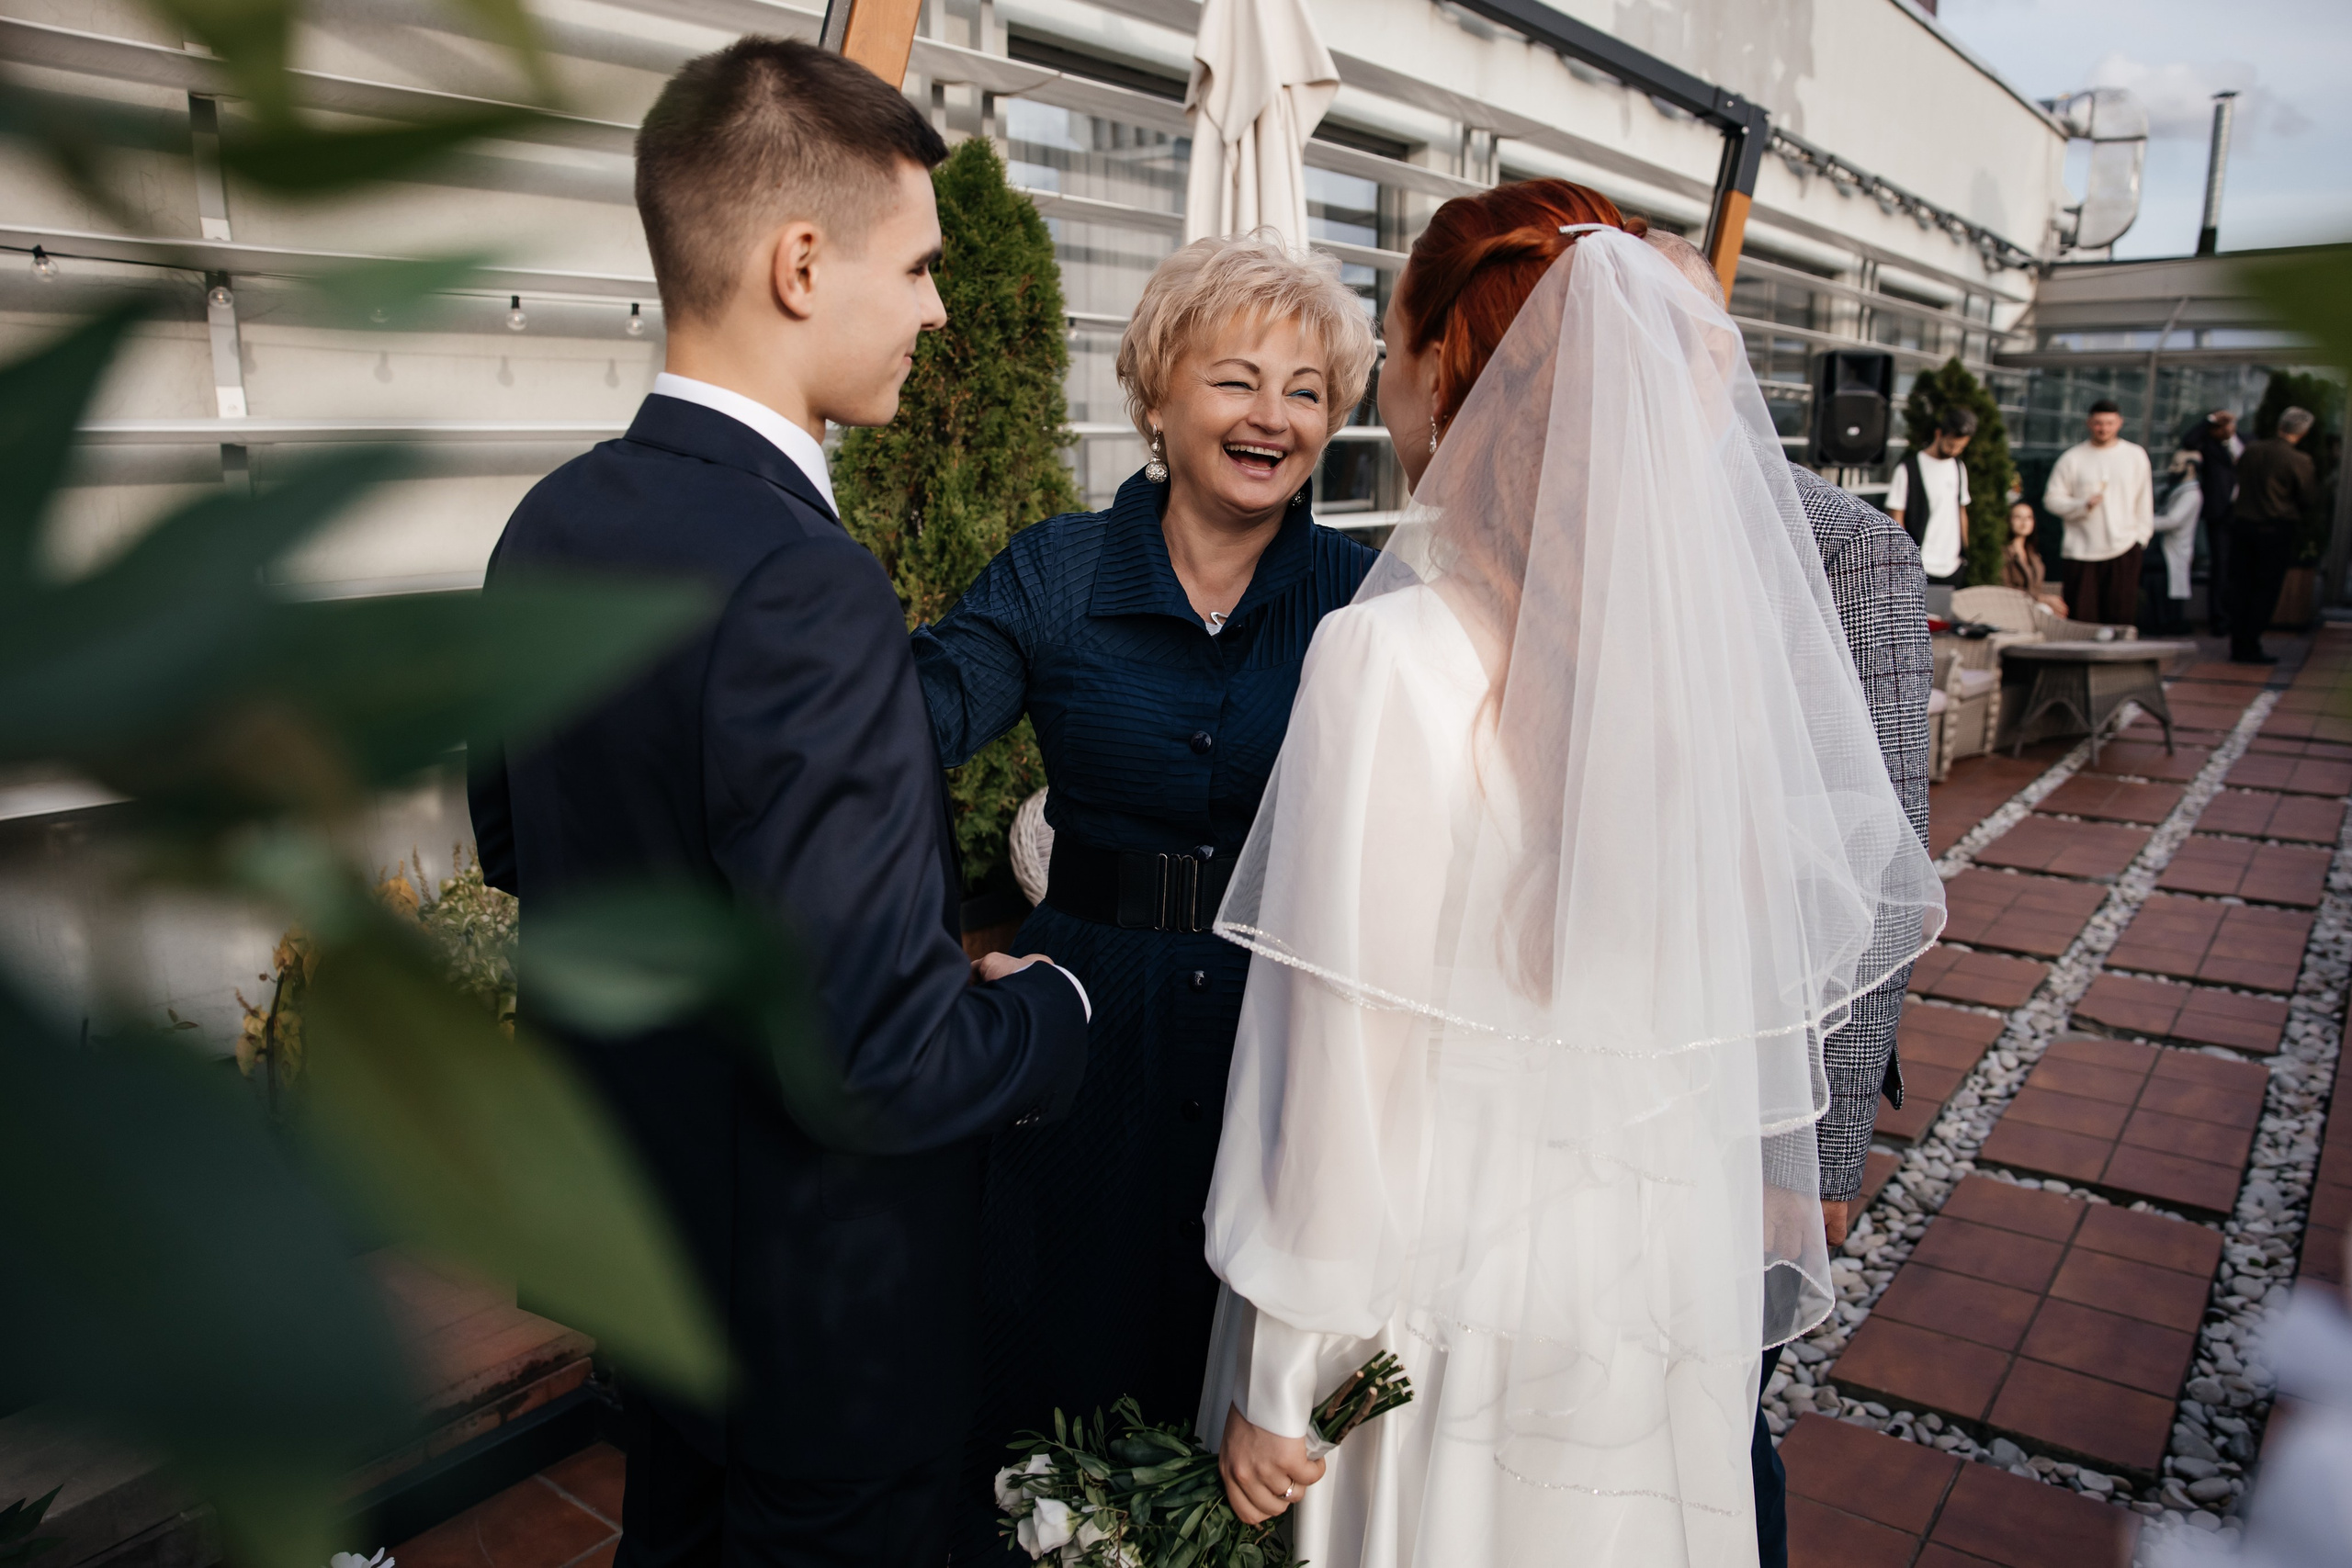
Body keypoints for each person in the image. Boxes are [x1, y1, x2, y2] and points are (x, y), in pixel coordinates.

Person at [1197, 187, 1942, 1568]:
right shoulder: (1699, 673)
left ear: (1436, 375)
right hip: (1642, 1276)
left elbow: (1341, 1060)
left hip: (1427, 1304)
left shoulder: (1389, 660)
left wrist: (1284, 1369)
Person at [466, 39, 1094, 1566]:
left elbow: (515, 840)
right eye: (923, 265)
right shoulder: (804, 584)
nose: (943, 309)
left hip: (647, 1261)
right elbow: (876, 1058)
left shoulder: (549, 525)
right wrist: (1054, 1013)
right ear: (802, 264)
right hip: (824, 1322)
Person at [909, 231, 1382, 1559]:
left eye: (1307, 390)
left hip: (1283, 1032)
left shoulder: (1362, 598)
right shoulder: (1055, 573)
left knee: (1248, 1400)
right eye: (1236, 379)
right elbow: (908, 724)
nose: (1272, 418)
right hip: (1085, 1032)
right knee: (1049, 1359)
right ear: (1157, 393)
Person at [1637, 225, 1934, 1568]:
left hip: (1749, 1081)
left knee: (1714, 1415)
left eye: (1676, 334)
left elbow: (1876, 869)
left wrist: (1815, 1157)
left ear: (1725, 357)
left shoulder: (1845, 552)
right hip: (1588, 1065)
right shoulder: (1554, 530)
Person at [2043, 399, 2154, 625]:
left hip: (2124, 547)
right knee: (2082, 619)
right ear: (2089, 423)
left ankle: (2120, 660)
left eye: (2109, 423)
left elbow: (2144, 500)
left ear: (2120, 423)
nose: (2103, 429)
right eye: (2098, 423)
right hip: (2081, 551)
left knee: (2120, 618)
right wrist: (2081, 505)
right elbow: (2052, 500)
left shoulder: (2135, 456)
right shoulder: (2072, 458)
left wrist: (2140, 538)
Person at [2228, 406, 2317, 664]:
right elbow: (2308, 497)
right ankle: (2250, 645)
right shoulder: (2299, 460)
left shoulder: (2253, 449)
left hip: (2243, 526)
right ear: (2303, 432)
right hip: (2274, 529)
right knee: (2264, 589)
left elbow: (2239, 474)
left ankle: (2238, 643)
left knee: (2241, 586)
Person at [1885, 407, 1975, 586]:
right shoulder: (1907, 470)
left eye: (1961, 447)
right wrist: (1904, 560)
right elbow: (1896, 519)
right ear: (1939, 434)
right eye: (1951, 444)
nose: (1955, 450)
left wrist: (1965, 552)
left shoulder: (1959, 467)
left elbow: (1961, 510)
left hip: (1952, 565)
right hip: (1920, 564)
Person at [2190, 409, 2245, 635]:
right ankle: (2220, 621)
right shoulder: (2208, 445)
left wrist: (2232, 433)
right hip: (2219, 514)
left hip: (2244, 514)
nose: (2225, 428)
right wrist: (2209, 420)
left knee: (2241, 569)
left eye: (2228, 424)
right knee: (2221, 568)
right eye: (2220, 425)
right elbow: (2189, 440)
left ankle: (2236, 617)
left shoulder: (2245, 441)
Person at [2151, 455, 2202, 634]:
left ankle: (2168, 624)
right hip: (2167, 550)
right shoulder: (2176, 489)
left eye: (2177, 465)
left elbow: (2173, 520)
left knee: (2168, 591)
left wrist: (2140, 524)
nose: (2172, 469)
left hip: (2174, 550)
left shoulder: (2191, 493)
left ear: (2191, 468)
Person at [2003, 501, 2069, 616]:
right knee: (2046, 611)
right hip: (2015, 606)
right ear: (2009, 520)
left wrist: (2050, 600)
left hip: (2035, 604)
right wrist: (2042, 599)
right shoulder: (2004, 553)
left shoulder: (2033, 554)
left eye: (2029, 518)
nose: (2024, 522)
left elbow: (2037, 586)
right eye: (2018, 517)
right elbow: (2005, 588)